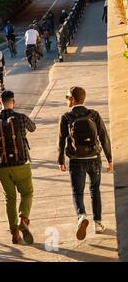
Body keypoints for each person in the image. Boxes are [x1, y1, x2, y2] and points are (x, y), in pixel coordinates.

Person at [57, 86, 113, 240]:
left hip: (76, 160)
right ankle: (98, 224)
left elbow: (61, 140)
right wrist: (109, 158)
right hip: (94, 159)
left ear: (73, 99)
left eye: (67, 97)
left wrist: (61, 160)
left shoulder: (66, 117)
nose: (67, 99)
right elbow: (103, 136)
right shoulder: (93, 115)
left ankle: (81, 216)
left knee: (78, 192)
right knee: (95, 190)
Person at [0, 90, 36, 244]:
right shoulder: (21, 117)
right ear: (13, 102)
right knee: (27, 193)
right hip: (21, 164)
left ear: (0, 102)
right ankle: (24, 219)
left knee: (10, 199)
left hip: (2, 167)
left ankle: (14, 233)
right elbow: (33, 128)